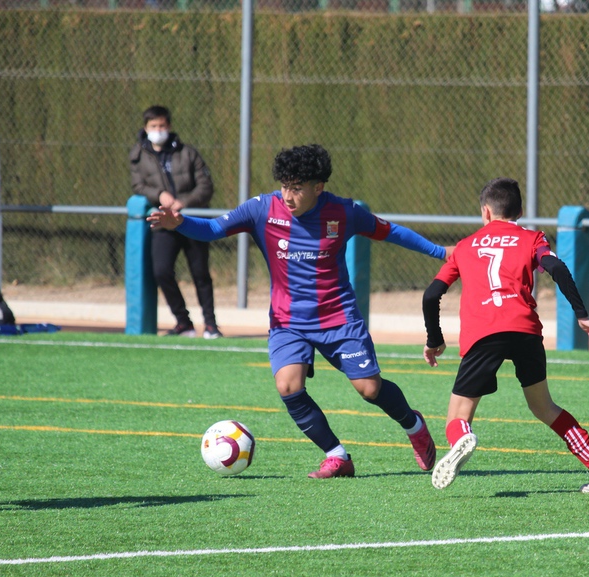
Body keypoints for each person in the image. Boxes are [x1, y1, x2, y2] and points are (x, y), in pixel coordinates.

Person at [148, 144, 441, 479]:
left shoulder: (344, 212)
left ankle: (413, 425)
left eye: (297, 188)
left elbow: (391, 232)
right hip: (288, 322)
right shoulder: (262, 209)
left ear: (319, 188)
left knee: (369, 390)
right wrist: (180, 223)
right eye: (285, 185)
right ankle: (337, 456)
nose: (288, 195)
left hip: (338, 318)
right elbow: (213, 229)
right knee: (288, 386)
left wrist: (439, 251)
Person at [422, 177, 589, 494]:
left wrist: (434, 339)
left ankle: (462, 437)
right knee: (545, 408)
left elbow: (431, 295)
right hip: (525, 330)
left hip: (484, 332)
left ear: (486, 212)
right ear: (519, 211)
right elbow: (557, 269)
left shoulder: (465, 247)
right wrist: (582, 315)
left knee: (457, 415)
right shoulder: (532, 239)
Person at [129, 105, 221, 339]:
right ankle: (184, 323)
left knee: (200, 273)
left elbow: (205, 186)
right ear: (146, 128)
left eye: (162, 126)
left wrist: (183, 202)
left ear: (168, 127)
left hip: (192, 219)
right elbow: (138, 185)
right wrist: (159, 195)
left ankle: (211, 326)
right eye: (153, 126)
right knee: (161, 271)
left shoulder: (188, 153)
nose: (158, 130)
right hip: (163, 222)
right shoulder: (138, 155)